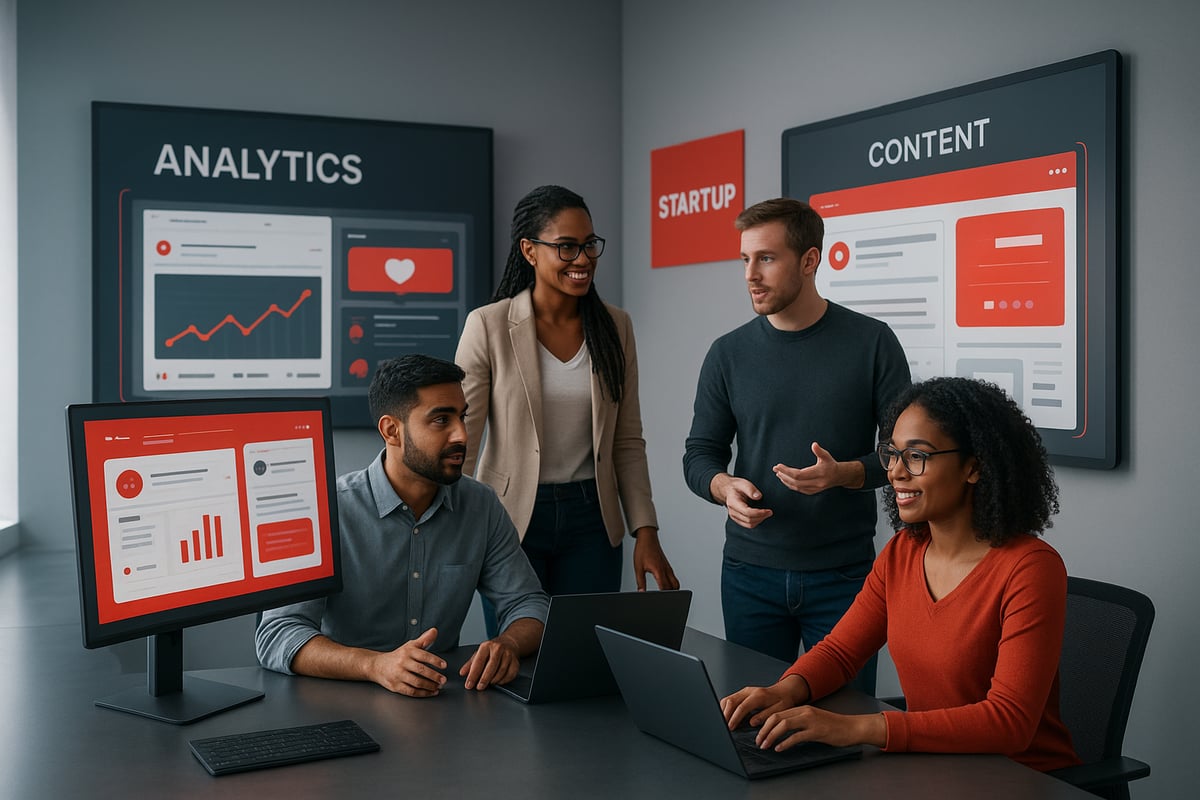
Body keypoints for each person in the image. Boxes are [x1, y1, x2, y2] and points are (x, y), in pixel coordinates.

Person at [720, 377, 1081, 772]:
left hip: (1022, 778)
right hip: (934, 769)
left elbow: (1010, 723)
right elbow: (841, 652)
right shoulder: (902, 553)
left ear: (974, 466)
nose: (895, 472)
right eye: (892, 454)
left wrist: (858, 729)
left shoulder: (1029, 569)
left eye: (916, 456)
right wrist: (784, 690)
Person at [683, 197, 910, 691]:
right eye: (745, 259)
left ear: (810, 261)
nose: (750, 274)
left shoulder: (873, 343)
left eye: (766, 258)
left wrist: (843, 474)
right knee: (752, 724)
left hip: (845, 577)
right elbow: (700, 454)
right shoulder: (728, 354)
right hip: (749, 574)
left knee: (844, 725)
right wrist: (724, 487)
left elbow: (904, 456)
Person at [255, 354, 549, 696]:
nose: (462, 435)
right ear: (391, 431)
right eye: (441, 420)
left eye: (461, 416)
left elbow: (529, 602)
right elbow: (278, 633)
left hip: (441, 704)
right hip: (342, 701)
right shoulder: (325, 510)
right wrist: (374, 665)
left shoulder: (480, 505)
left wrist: (508, 644)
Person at [456, 185, 679, 636]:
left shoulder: (615, 327)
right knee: (517, 658)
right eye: (566, 247)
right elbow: (462, 437)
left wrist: (646, 530)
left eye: (589, 245)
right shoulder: (489, 325)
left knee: (583, 655)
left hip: (591, 519)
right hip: (510, 518)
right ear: (529, 251)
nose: (583, 259)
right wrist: (453, 525)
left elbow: (627, 440)